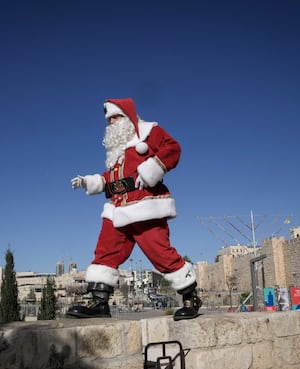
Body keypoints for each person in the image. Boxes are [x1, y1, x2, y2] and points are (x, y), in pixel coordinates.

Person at [68, 98, 202, 321]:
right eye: (109, 119)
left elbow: (173, 148)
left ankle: (190, 297)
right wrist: (89, 182)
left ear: (128, 117)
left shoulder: (150, 132)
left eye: (116, 117)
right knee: (105, 252)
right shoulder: (116, 152)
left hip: (145, 206)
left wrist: (152, 168)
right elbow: (110, 178)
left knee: (159, 252)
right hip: (117, 208)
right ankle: (99, 302)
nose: (112, 122)